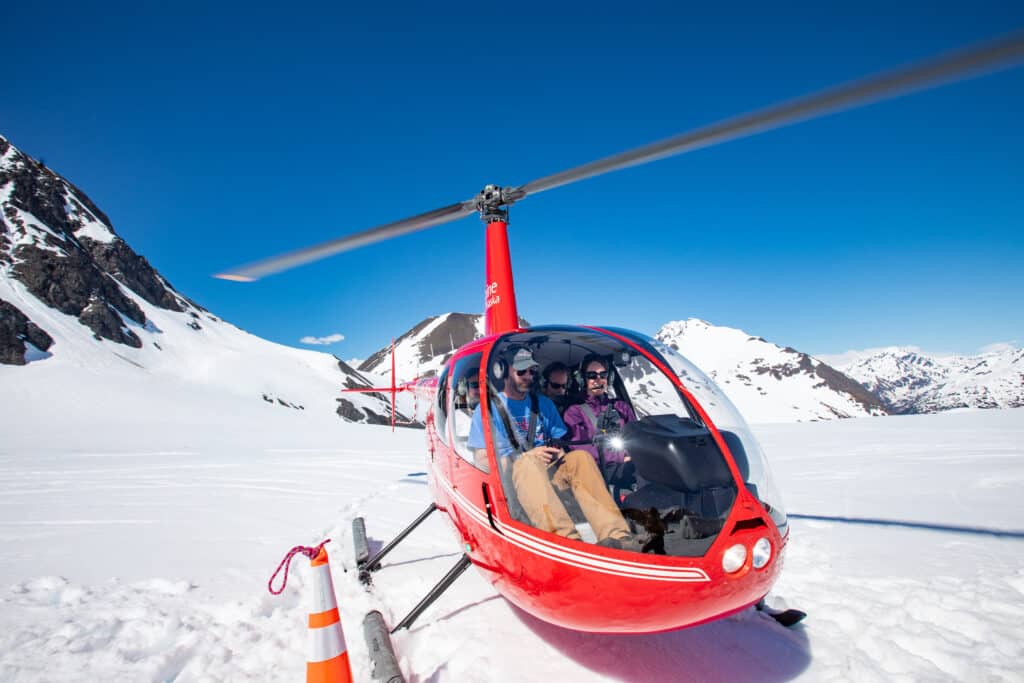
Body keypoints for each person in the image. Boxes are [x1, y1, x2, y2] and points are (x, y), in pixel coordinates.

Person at [468, 348, 638, 549]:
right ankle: (567, 541)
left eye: (532, 371)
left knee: (581, 458)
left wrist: (557, 453)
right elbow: (482, 460)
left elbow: (561, 443)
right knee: (528, 463)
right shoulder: (488, 410)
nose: (528, 376)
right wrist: (522, 457)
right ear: (503, 372)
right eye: (521, 372)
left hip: (548, 470)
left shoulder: (543, 404)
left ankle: (617, 536)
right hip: (513, 475)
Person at [563, 354, 637, 486]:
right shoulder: (574, 412)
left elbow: (636, 436)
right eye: (592, 375)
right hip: (598, 473)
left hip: (628, 466)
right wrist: (621, 456)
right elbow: (581, 450)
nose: (598, 379)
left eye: (603, 375)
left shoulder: (621, 407)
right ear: (582, 380)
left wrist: (633, 454)